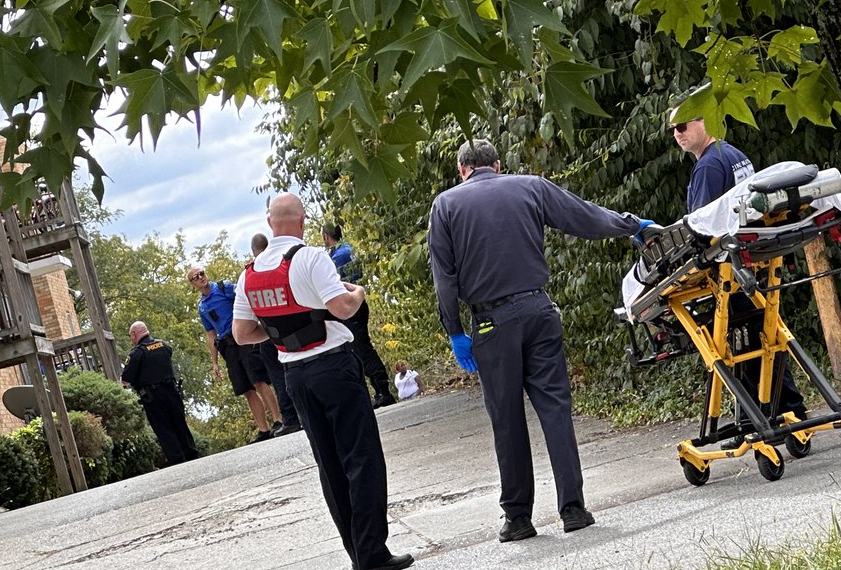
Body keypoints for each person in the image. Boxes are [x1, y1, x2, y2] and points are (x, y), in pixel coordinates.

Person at [428, 139, 654, 544]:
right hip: (538, 310)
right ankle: (573, 509)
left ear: (462, 170)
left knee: (507, 418)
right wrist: (631, 225)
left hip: (490, 323)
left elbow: (444, 277)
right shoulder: (530, 186)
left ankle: (518, 517)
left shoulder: (445, 205)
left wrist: (455, 331)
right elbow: (582, 217)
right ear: (497, 165)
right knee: (555, 408)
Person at [233, 193, 413, 570]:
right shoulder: (311, 258)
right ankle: (373, 553)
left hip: (294, 376)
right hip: (333, 365)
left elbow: (242, 333)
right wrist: (358, 292)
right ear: (301, 222)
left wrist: (284, 330)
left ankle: (356, 554)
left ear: (269, 223)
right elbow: (343, 308)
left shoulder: (248, 275)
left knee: (328, 464)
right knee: (361, 456)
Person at [669, 98, 807, 428]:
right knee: (767, 339)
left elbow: (701, 228)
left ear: (704, 122)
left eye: (683, 125)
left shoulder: (708, 166)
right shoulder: (734, 156)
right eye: (673, 129)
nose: (678, 133)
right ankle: (790, 408)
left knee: (744, 345)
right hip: (754, 259)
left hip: (730, 268)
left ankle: (755, 419)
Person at [188, 265, 283, 443]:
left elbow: (248, 300)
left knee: (259, 381)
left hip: (244, 338)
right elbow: (211, 334)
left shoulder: (224, 289)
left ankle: (278, 420)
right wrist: (214, 362)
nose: (201, 277)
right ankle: (264, 429)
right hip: (227, 346)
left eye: (202, 273)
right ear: (192, 283)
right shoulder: (202, 307)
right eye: (196, 277)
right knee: (245, 388)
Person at [320, 223, 396, 408]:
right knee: (361, 346)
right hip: (359, 301)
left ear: (326, 237)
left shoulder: (336, 257)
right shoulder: (349, 248)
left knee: (360, 348)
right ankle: (380, 389)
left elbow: (333, 284)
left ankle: (382, 391)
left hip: (349, 305)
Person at [121, 321, 200, 465]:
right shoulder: (164, 345)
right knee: (179, 422)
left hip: (153, 397)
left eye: (130, 335)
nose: (131, 339)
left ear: (134, 334)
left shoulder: (137, 353)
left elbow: (126, 379)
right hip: (172, 391)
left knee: (163, 427)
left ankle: (177, 458)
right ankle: (191, 453)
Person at [251, 233, 303, 436]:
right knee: (295, 369)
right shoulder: (283, 264)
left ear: (254, 252)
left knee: (278, 377)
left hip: (266, 331)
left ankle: (290, 419)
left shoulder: (252, 272)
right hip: (291, 327)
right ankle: (304, 414)